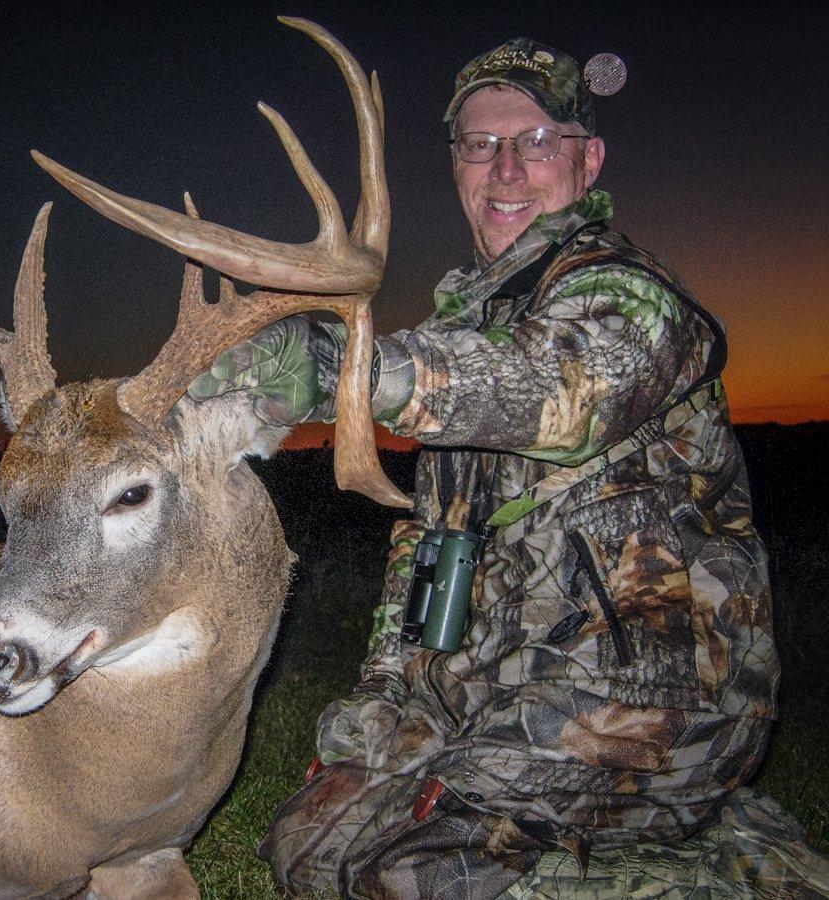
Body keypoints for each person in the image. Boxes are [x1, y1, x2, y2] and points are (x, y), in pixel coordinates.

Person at [189, 39, 779, 898]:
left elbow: (557, 394)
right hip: (489, 697)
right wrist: (380, 709)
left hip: (649, 707)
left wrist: (338, 367)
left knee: (415, 878)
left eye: (536, 142)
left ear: (587, 159)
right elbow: (428, 546)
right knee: (305, 847)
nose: (506, 168)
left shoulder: (633, 296)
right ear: (458, 162)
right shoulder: (468, 326)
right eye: (480, 144)